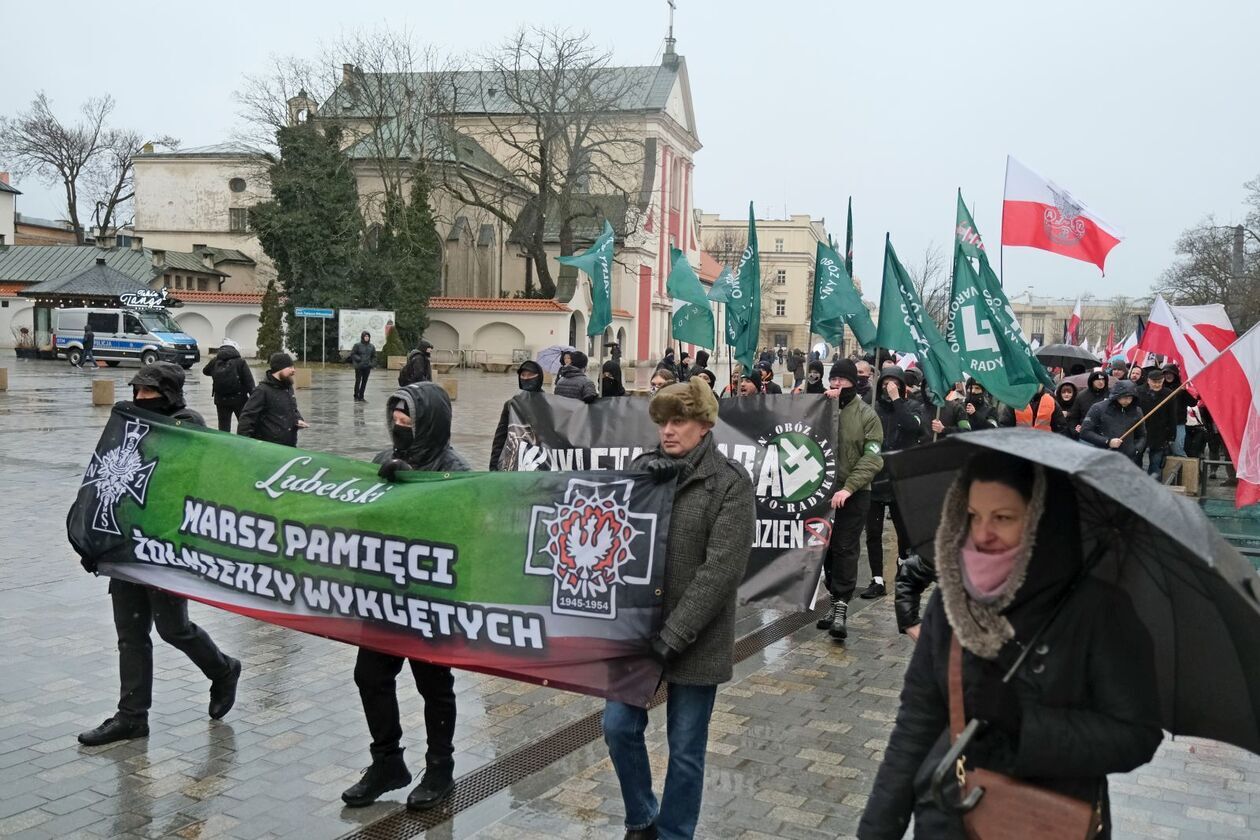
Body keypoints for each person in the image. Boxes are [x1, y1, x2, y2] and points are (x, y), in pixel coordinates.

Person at [858, 451, 1162, 839]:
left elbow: (1135, 735)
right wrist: (876, 830)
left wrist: (1024, 725)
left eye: (1002, 518)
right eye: (972, 515)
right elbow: (915, 725)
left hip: (1048, 821)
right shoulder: (951, 601)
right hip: (950, 818)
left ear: (1040, 522)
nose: (982, 533)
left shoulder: (1098, 611)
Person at [603, 378, 754, 840]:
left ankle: (674, 833)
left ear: (704, 425)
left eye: (679, 421)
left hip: (697, 638)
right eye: (663, 421)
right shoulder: (641, 470)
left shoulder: (729, 483)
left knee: (686, 748)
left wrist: (674, 634)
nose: (668, 431)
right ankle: (642, 816)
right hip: (637, 632)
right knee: (618, 727)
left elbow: (721, 571)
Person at [76, 363, 241, 746]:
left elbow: (195, 478)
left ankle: (223, 670)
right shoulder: (130, 423)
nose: (141, 397)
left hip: (165, 544)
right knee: (130, 634)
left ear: (168, 391)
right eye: (137, 390)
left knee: (173, 629)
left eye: (150, 391)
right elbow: (108, 477)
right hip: (126, 541)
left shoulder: (187, 425)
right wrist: (95, 542)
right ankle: (132, 716)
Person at [342, 382, 468, 811]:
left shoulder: (455, 469)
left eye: (408, 418)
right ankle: (387, 761)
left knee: (433, 684)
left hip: (429, 600)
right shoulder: (384, 459)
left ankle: (439, 767)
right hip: (382, 596)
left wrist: (418, 493)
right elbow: (361, 516)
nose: (399, 424)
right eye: (394, 417)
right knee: (370, 678)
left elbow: (466, 532)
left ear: (429, 421)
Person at [818, 360, 884, 641]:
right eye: (833, 379)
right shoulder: (822, 407)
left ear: (853, 383)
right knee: (827, 550)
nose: (836, 385)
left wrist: (850, 487)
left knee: (845, 547)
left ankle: (842, 605)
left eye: (842, 380)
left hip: (853, 494)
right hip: (821, 492)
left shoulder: (867, 415)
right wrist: (818, 405)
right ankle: (833, 601)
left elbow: (872, 457)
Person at [862, 367, 924, 601]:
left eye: (894, 382)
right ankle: (877, 578)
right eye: (886, 382)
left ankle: (903, 566)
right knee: (873, 533)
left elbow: (913, 426)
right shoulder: (873, 409)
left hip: (900, 481)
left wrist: (898, 400)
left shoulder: (912, 407)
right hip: (876, 480)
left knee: (904, 531)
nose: (889, 386)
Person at [238, 352, 307, 446]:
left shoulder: (288, 388)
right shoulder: (262, 390)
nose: (294, 370)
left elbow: (293, 409)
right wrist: (245, 444)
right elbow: (247, 418)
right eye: (290, 367)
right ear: (279, 369)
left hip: (289, 445)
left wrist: (297, 419)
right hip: (269, 447)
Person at [489, 361, 544, 470]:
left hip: (540, 464)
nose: (526, 378)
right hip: (515, 464)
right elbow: (500, 438)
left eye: (530, 375)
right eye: (523, 375)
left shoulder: (548, 405)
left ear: (539, 377)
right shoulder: (512, 405)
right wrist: (493, 466)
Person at [1081, 380, 1146, 460]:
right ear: (1117, 395)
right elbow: (1085, 432)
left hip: (1127, 459)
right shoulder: (1098, 408)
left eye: (1130, 398)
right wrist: (1108, 441)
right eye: (1125, 397)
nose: (1128, 401)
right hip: (1103, 457)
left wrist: (1136, 449)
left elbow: (1142, 435)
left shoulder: (1137, 411)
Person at [202, 339, 255, 432]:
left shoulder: (215, 360)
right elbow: (249, 382)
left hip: (221, 400)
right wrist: (254, 400)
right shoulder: (240, 362)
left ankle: (223, 444)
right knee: (244, 425)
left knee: (223, 427)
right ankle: (244, 444)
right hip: (239, 399)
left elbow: (205, 371)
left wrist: (216, 373)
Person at [1136, 368, 1175, 476]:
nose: (1157, 385)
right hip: (1141, 430)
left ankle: (1154, 484)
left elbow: (1172, 416)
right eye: (1154, 382)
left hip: (1160, 432)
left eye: (1160, 382)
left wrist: (1172, 435)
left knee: (1156, 462)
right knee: (1136, 459)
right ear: (1148, 381)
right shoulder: (1138, 391)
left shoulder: (1169, 394)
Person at [1162, 364, 1194, 457]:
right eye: (1166, 373)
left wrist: (1184, 391)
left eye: (1171, 373)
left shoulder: (1181, 387)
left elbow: (1193, 403)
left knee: (1177, 449)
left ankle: (1188, 470)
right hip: (1163, 423)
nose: (1168, 375)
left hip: (1178, 423)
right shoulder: (1160, 387)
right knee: (1163, 452)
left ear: (1175, 375)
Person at [349, 331, 376, 401]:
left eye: (368, 336)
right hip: (359, 366)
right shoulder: (357, 345)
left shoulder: (371, 346)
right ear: (362, 337)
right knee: (358, 381)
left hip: (367, 367)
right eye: (365, 336)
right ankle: (356, 395)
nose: (367, 338)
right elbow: (353, 354)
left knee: (364, 382)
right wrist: (358, 359)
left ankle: (361, 396)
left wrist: (372, 364)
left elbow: (374, 356)